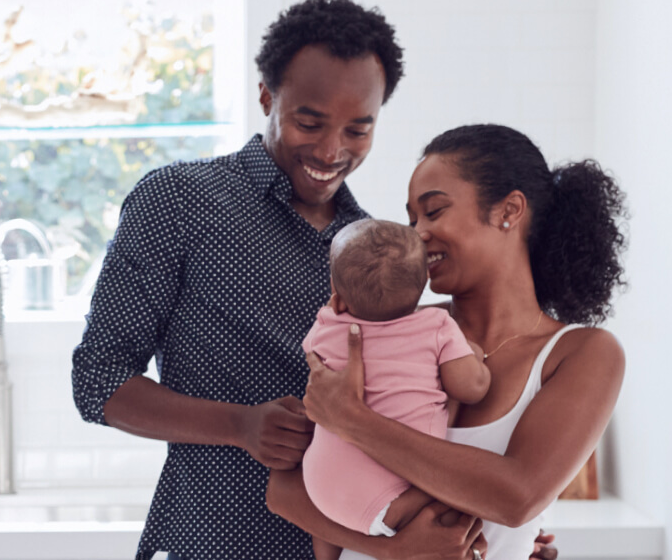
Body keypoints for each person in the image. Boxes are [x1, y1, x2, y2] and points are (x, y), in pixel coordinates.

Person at [72, 0, 559, 559]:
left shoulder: (375, 253)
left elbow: (420, 416)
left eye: (358, 130)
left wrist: (506, 540)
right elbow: (99, 382)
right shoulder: (179, 202)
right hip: (212, 542)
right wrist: (241, 425)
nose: (331, 150)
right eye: (309, 121)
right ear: (266, 96)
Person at [268, 124, 625, 560]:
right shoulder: (385, 330)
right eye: (411, 218)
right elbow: (285, 487)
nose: (415, 234)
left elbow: (516, 498)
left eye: (433, 212)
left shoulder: (581, 354)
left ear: (508, 211)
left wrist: (354, 421)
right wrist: (394, 549)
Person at [301, 218, 491, 558]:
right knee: (462, 495)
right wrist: (474, 355)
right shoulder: (437, 326)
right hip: (393, 497)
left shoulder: (328, 324)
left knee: (333, 504)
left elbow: (313, 355)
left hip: (318, 485)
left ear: (337, 295)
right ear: (422, 289)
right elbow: (472, 388)